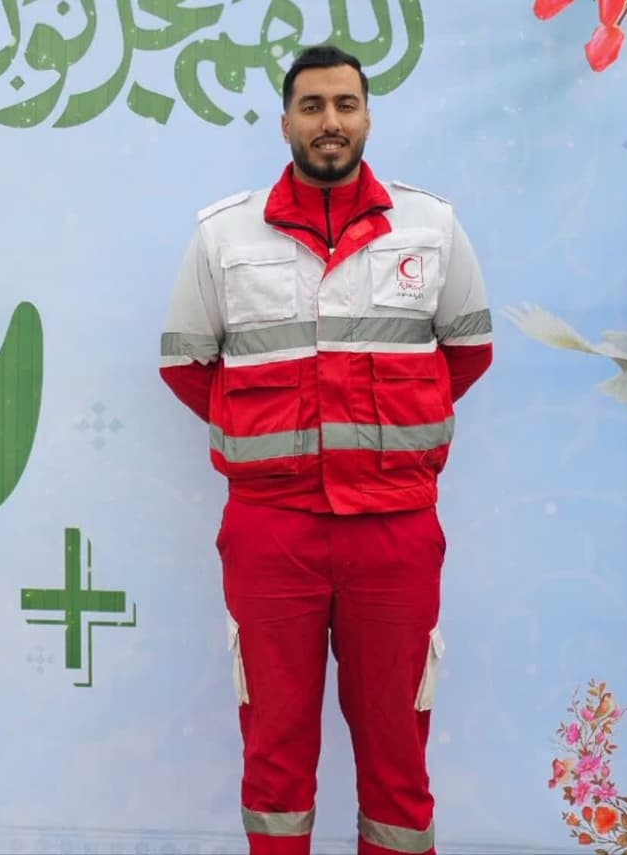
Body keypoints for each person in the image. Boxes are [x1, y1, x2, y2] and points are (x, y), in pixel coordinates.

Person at [158, 45, 493, 855]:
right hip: (272, 530)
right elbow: (186, 364)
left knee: (398, 754)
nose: (330, 121)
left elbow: (469, 351)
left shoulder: (430, 227)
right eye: (312, 106)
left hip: (395, 528)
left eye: (345, 103)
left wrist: (390, 435)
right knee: (274, 755)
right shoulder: (224, 235)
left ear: (368, 116)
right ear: (285, 122)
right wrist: (267, 437)